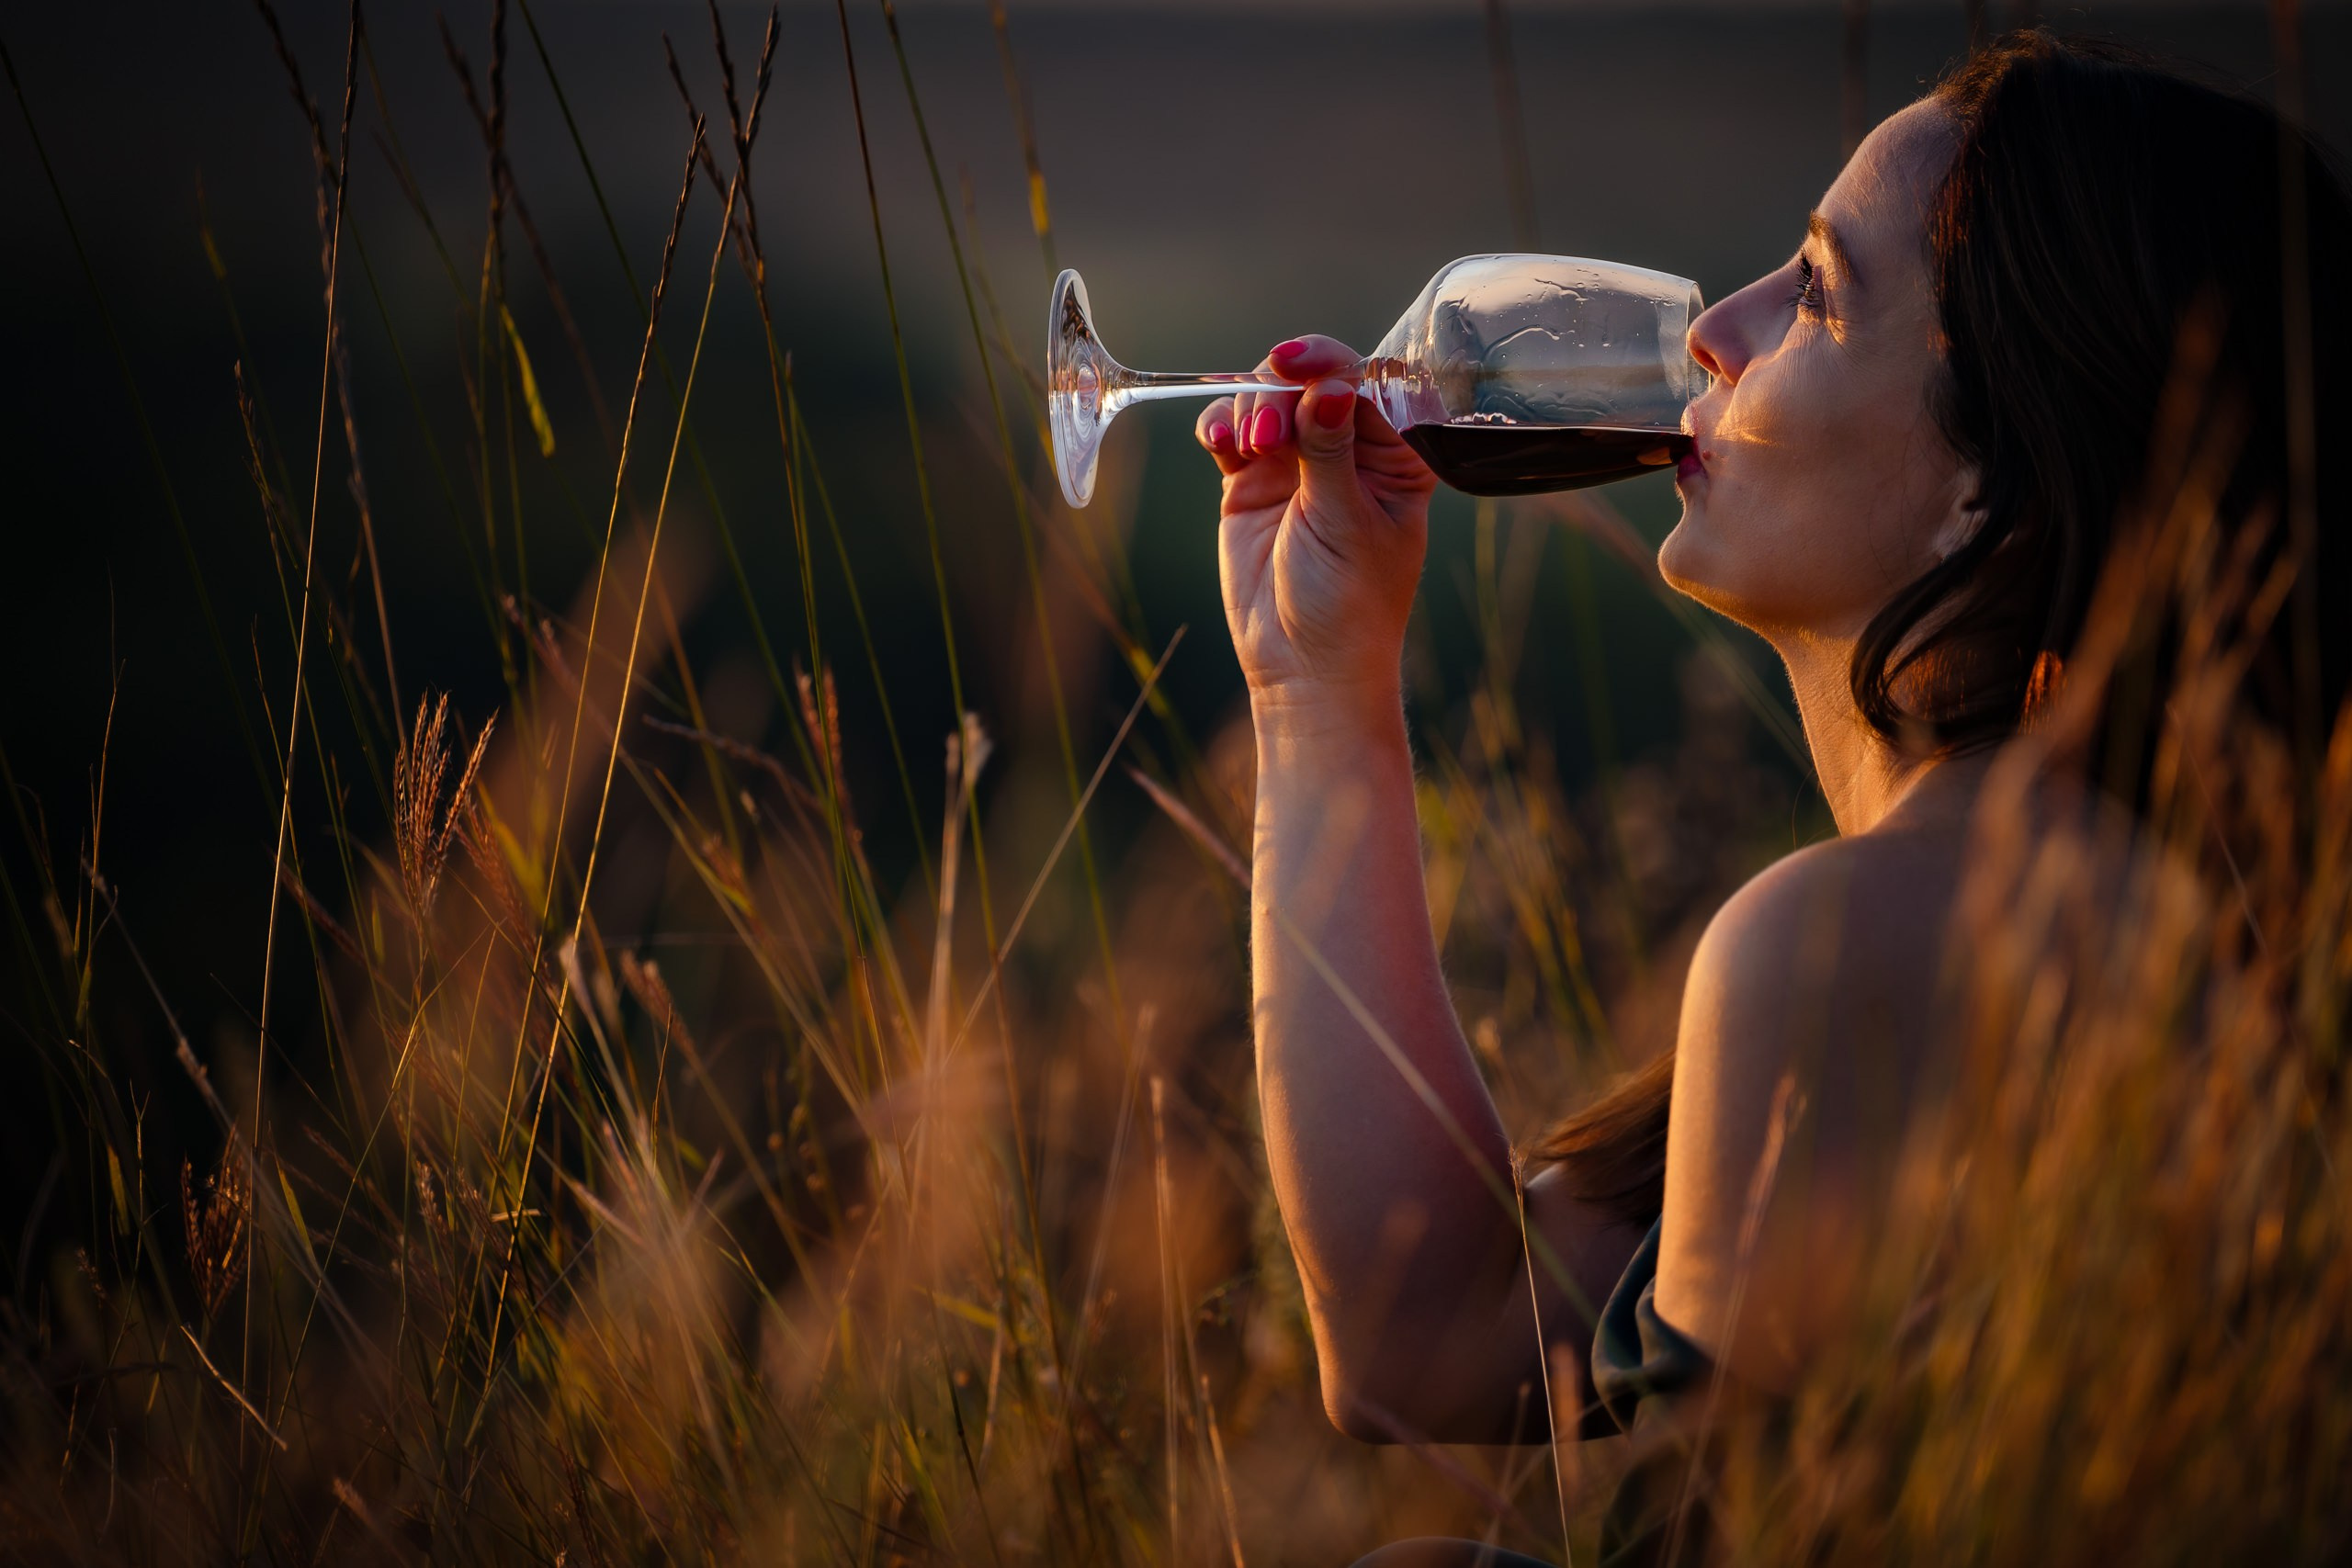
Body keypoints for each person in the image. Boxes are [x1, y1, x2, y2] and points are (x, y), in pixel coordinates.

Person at [1193, 31, 2351, 1566]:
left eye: (1812, 291)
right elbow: (1423, 1335)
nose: (1714, 334)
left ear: (1987, 486)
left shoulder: (1863, 943)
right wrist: (1317, 695)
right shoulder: (2097, 902)